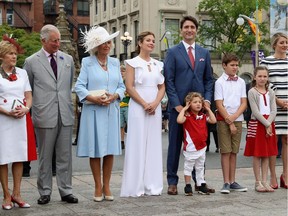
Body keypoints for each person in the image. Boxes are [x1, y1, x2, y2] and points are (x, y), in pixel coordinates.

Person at [23, 24, 78, 204]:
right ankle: (45, 191)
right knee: (45, 156)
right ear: (43, 40)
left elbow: (67, 85)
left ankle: (66, 190)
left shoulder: (67, 59)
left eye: (59, 40)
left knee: (65, 156)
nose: (57, 43)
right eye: (54, 41)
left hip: (65, 113)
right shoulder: (31, 62)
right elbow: (28, 88)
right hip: (44, 114)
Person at [164, 15, 214, 195]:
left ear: (196, 30)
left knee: (199, 146)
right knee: (175, 146)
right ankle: (172, 181)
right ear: (181, 30)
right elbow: (168, 81)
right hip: (179, 110)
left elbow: (209, 80)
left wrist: (207, 101)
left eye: (192, 27)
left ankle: (199, 182)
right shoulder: (172, 52)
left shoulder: (204, 53)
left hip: (199, 111)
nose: (189, 30)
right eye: (186, 27)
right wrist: (177, 105)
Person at [75, 26, 125, 202]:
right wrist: (93, 98)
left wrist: (116, 96)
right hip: (94, 110)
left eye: (109, 42)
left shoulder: (114, 62)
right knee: (95, 150)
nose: (107, 45)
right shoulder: (87, 63)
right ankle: (97, 186)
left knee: (110, 149)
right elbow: (79, 86)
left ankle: (107, 185)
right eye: (103, 43)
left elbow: (121, 85)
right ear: (96, 46)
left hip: (111, 110)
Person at [120, 31, 165, 197]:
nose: (151, 43)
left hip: (155, 106)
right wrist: (145, 104)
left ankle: (152, 185)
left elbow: (162, 87)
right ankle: (135, 186)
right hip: (138, 106)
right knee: (137, 143)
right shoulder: (131, 63)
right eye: (148, 40)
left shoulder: (158, 64)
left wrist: (155, 103)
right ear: (140, 43)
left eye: (153, 40)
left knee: (153, 144)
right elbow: (129, 87)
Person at [0, 35, 37, 209]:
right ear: (2, 56)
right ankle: (6, 195)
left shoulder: (22, 73)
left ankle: (17, 194)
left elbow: (28, 96)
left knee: (19, 157)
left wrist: (26, 108)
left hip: (21, 118)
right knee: (3, 158)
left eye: (15, 54)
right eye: (10, 54)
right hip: (3, 119)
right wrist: (6, 111)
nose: (14, 56)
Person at [214, 53, 247, 194]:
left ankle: (233, 181)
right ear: (224, 65)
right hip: (224, 120)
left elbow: (243, 103)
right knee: (225, 151)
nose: (235, 68)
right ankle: (226, 181)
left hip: (237, 119)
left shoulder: (241, 82)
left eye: (236, 65)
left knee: (234, 152)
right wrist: (229, 120)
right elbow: (219, 104)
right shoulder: (219, 82)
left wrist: (234, 117)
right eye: (232, 65)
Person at [260, 32, 288, 189]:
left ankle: (286, 175)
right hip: (272, 106)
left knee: (286, 140)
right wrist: (277, 101)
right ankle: (272, 176)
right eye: (282, 42)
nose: (285, 45)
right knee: (272, 141)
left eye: (286, 42)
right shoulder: (266, 61)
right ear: (274, 45)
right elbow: (265, 83)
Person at [244, 66, 277, 192]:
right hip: (258, 124)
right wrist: (266, 124)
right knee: (257, 154)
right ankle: (257, 181)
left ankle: (265, 180)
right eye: (260, 76)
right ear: (254, 77)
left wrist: (269, 123)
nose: (262, 79)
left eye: (265, 76)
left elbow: (273, 110)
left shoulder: (271, 92)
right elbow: (255, 111)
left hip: (269, 123)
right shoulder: (252, 92)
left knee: (267, 154)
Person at [177, 92, 216, 196]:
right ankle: (188, 185)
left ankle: (201, 184)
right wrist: (184, 109)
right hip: (191, 147)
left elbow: (213, 120)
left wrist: (208, 109)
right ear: (189, 104)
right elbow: (179, 120)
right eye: (195, 102)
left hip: (202, 146)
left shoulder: (203, 116)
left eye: (199, 102)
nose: (198, 104)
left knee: (200, 166)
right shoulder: (187, 117)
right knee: (188, 166)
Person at [119, 65, 130, 149]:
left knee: (130, 124)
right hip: (120, 105)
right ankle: (121, 141)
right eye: (120, 71)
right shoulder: (118, 81)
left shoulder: (128, 81)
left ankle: (131, 140)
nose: (121, 73)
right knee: (121, 125)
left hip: (127, 105)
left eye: (123, 71)